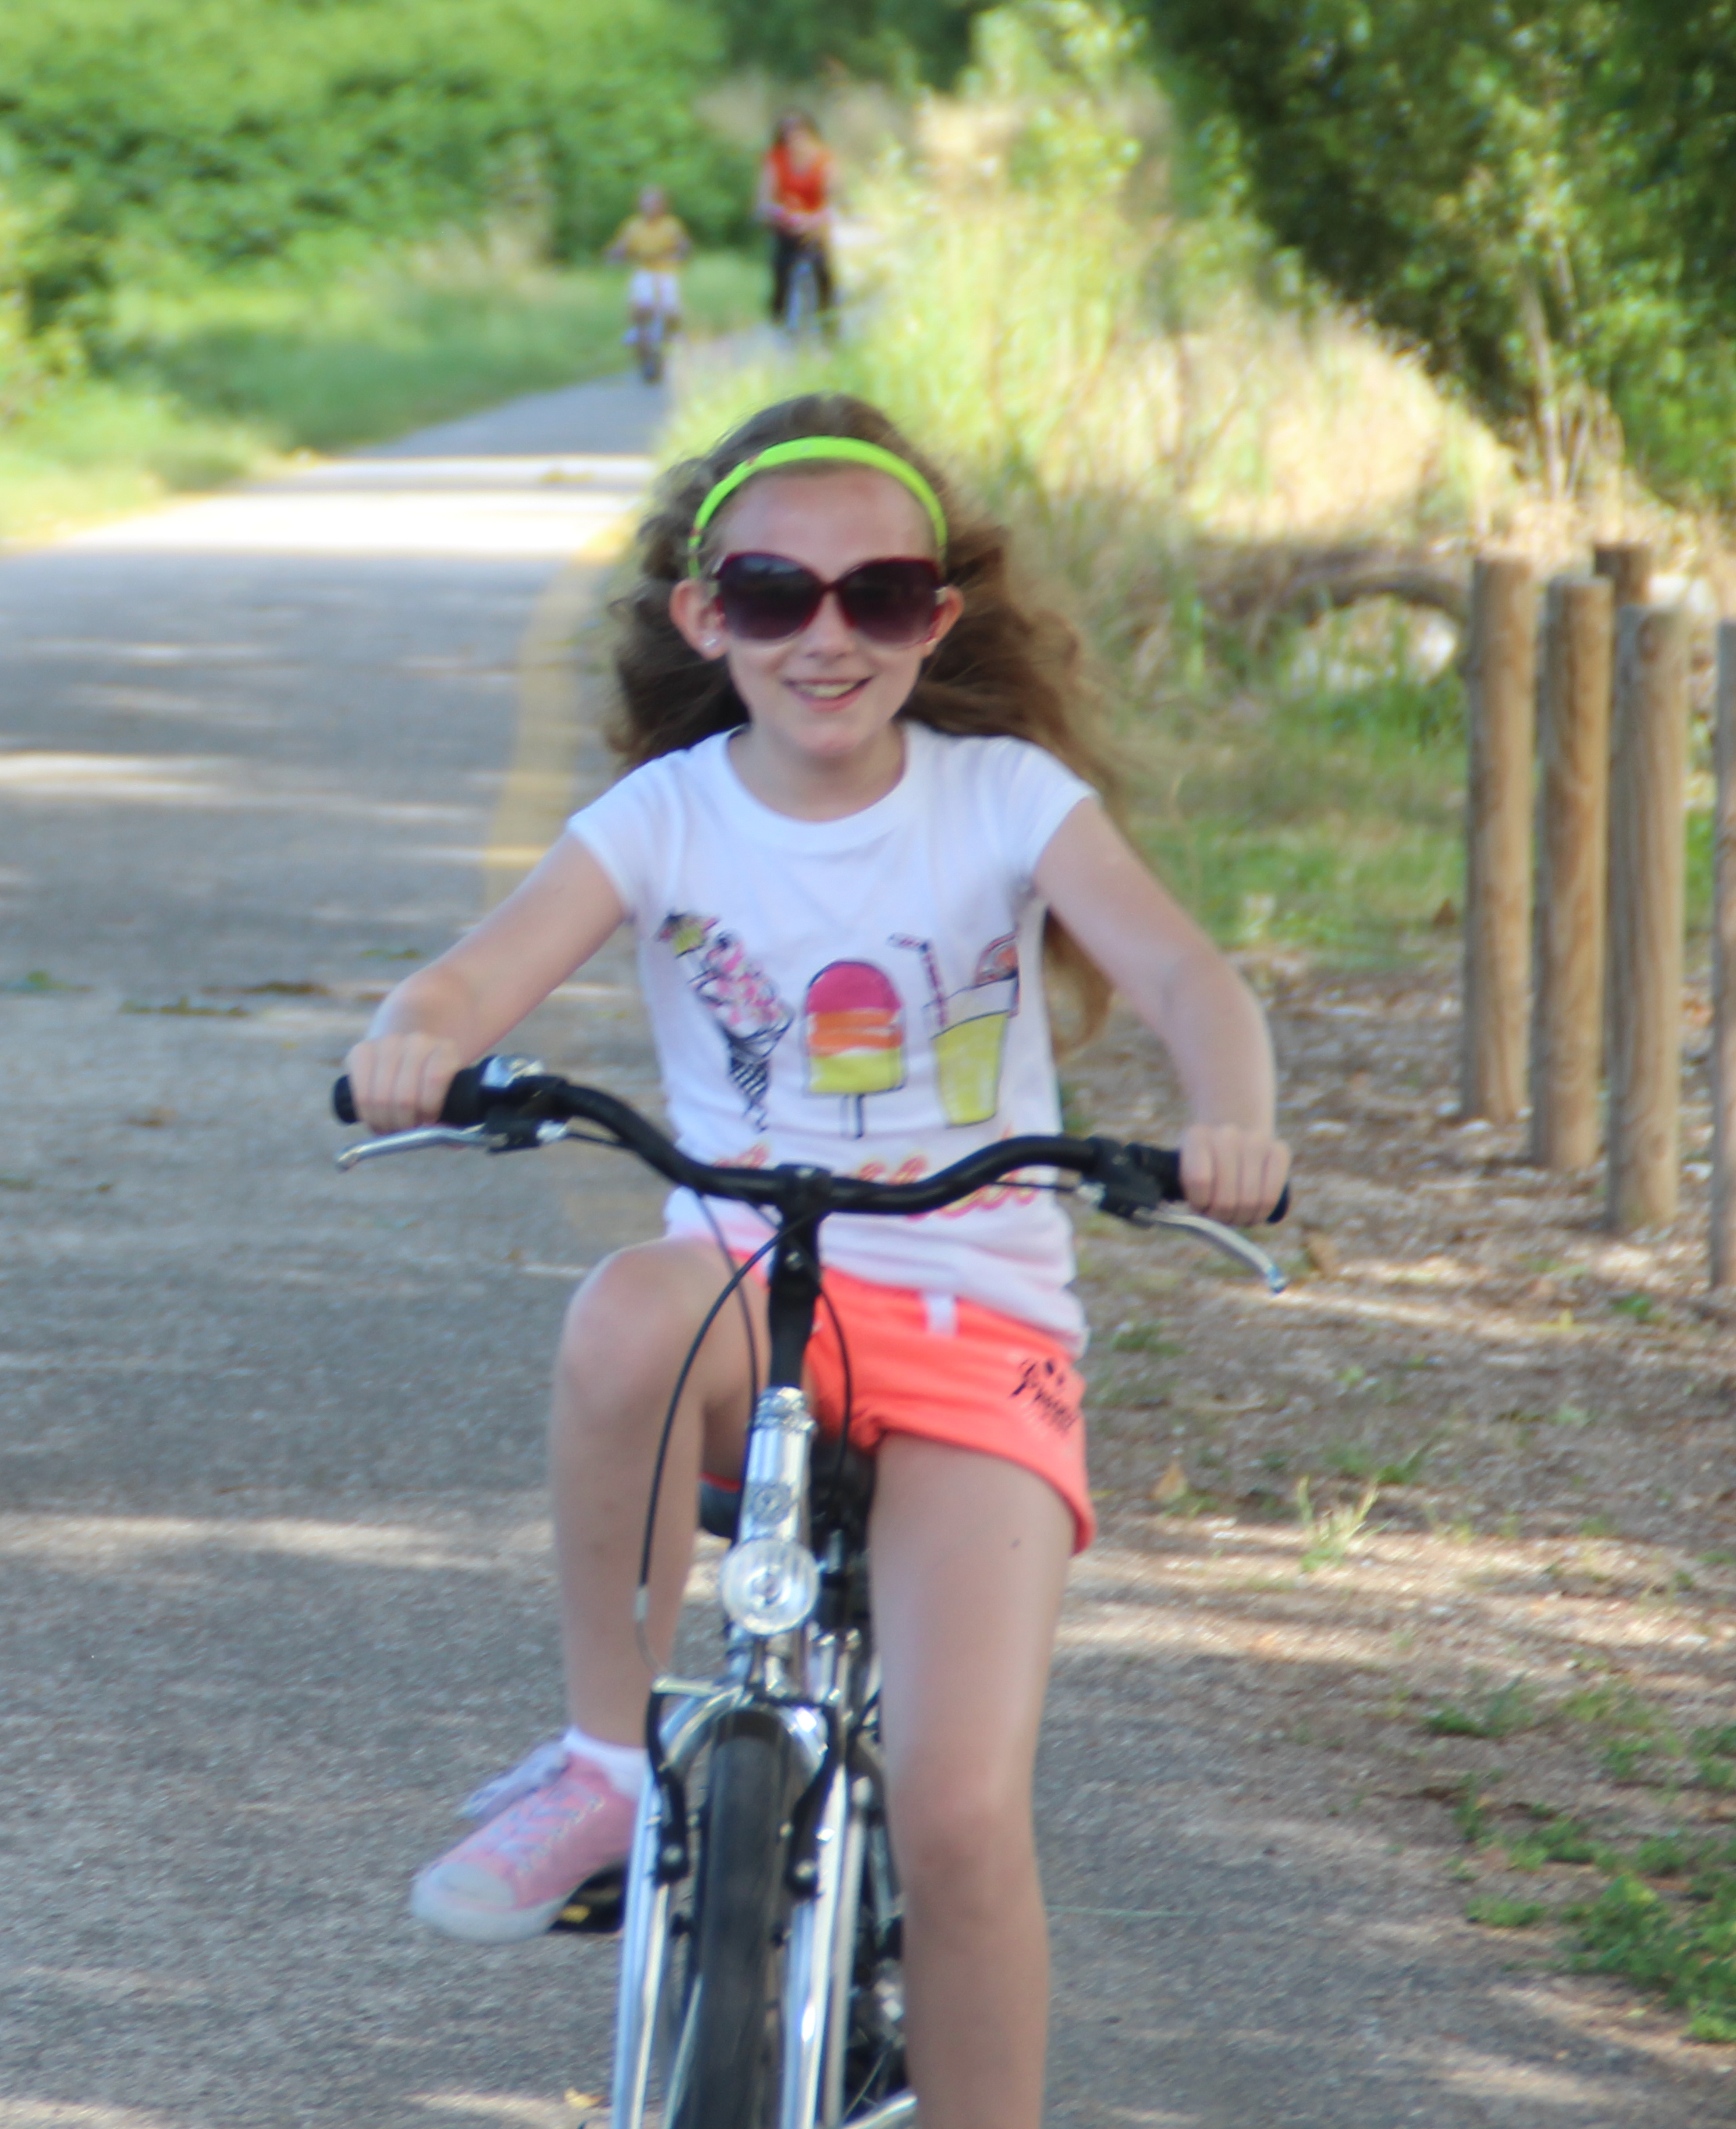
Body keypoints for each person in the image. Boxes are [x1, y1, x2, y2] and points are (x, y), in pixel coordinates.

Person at [340, 394, 1287, 2129]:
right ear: (709, 619)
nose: (827, 636)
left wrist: (1229, 1112)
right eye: (776, 596)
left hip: (972, 1324)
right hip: (746, 1308)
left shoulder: (1009, 800)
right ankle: (606, 1764)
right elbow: (474, 982)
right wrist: (419, 1040)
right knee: (625, 1301)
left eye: (880, 596)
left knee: (956, 1811)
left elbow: (1180, 975)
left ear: (941, 618)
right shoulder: (667, 817)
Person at [604, 183, 694, 382]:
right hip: (645, 272)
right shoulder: (633, 226)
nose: (650, 208)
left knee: (671, 310)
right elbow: (622, 246)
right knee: (642, 305)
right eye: (646, 204)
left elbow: (682, 244)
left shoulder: (671, 225)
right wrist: (616, 254)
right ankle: (640, 338)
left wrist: (681, 253)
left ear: (663, 206)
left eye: (654, 203)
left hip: (665, 272)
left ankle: (672, 335)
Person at [758, 110, 834, 333]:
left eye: (800, 132)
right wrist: (779, 214)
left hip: (815, 226)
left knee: (823, 271)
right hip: (786, 225)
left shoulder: (824, 159)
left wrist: (814, 219)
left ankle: (828, 325)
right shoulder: (775, 159)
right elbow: (764, 199)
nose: (794, 138)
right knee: (781, 267)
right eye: (788, 133)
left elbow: (833, 199)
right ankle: (779, 318)